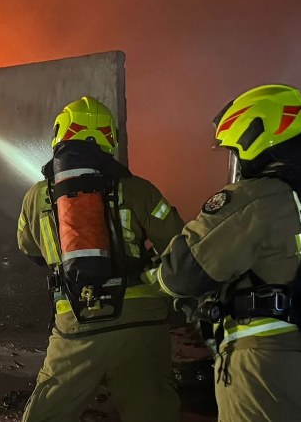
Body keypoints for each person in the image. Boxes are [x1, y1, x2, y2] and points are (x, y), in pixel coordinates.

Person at [155, 84, 301, 422]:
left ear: (254, 139)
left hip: (272, 371)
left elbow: (180, 274)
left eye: (235, 150)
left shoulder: (257, 198)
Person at [16, 96, 184, 422]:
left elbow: (29, 249)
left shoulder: (37, 196)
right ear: (110, 139)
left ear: (61, 135)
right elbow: (178, 245)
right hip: (141, 324)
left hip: (77, 321)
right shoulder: (139, 189)